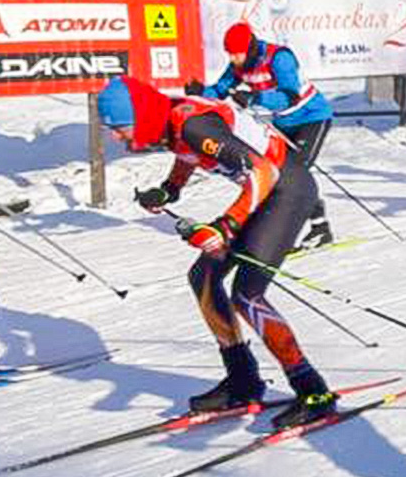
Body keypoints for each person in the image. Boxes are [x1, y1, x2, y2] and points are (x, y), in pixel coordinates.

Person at [97, 74, 341, 429]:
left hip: (287, 190)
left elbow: (262, 172)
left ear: (140, 113)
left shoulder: (192, 125)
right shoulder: (173, 123)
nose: (116, 136)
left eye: (119, 127)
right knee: (204, 275)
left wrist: (225, 226)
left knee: (248, 293)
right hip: (266, 193)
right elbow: (187, 154)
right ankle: (242, 379)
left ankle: (313, 391)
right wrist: (169, 190)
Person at [198, 22, 336, 249]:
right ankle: (310, 228)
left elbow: (289, 96)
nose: (233, 59)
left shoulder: (279, 57)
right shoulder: (239, 65)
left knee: (297, 172)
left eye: (237, 54)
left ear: (250, 47)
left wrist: (254, 98)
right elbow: (221, 89)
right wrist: (199, 94)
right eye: (229, 54)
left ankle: (319, 228)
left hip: (312, 116)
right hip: (282, 122)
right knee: (279, 173)